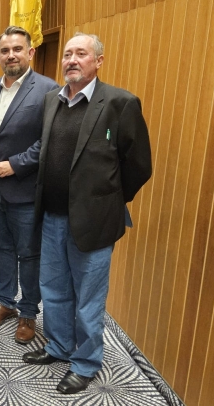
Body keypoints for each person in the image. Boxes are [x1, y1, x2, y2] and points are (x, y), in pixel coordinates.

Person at [22, 33, 152, 394]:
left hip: (94, 221)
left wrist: (108, 200)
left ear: (99, 61)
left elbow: (139, 165)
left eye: (81, 53)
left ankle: (85, 363)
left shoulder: (120, 103)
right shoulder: (52, 100)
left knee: (88, 299)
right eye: (67, 54)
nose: (72, 60)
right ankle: (59, 346)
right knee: (53, 289)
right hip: (51, 217)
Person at [0, 26, 59, 344]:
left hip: (25, 190)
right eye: (5, 51)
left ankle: (28, 312)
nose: (11, 55)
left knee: (29, 253)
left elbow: (50, 139)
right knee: (2, 247)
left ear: (30, 52)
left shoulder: (48, 89)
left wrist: (15, 164)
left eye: (17, 49)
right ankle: (4, 301)